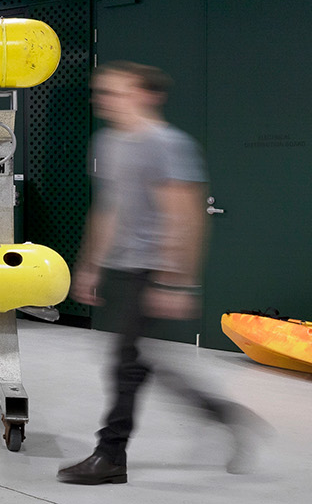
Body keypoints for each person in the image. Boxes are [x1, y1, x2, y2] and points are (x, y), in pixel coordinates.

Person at [58, 61, 262, 486]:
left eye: (114, 92)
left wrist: (175, 279)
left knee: (125, 362)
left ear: (147, 95)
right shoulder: (110, 142)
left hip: (151, 268)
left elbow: (185, 214)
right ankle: (223, 414)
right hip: (121, 265)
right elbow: (108, 208)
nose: (103, 100)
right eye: (101, 92)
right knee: (140, 359)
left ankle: (110, 454)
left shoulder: (169, 144)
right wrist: (89, 264)